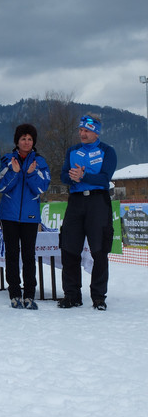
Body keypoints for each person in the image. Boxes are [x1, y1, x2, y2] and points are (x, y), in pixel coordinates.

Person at [58, 114, 117, 311]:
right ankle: (72, 295)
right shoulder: (73, 150)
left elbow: (104, 178)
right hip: (76, 201)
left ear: (96, 132)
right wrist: (72, 177)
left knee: (99, 250)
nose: (82, 134)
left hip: (97, 201)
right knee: (69, 248)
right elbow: (63, 174)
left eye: (87, 131)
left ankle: (99, 296)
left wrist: (84, 175)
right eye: (81, 130)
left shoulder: (107, 151)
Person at [0, 124, 50, 310]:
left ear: (33, 141)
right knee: (11, 254)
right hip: (9, 215)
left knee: (29, 256)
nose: (26, 142)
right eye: (23, 139)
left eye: (29, 139)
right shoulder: (7, 160)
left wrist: (31, 174)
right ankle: (14, 293)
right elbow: (1, 187)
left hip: (30, 216)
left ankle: (29, 295)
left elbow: (41, 188)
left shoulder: (40, 162)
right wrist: (15, 172)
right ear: (17, 141)